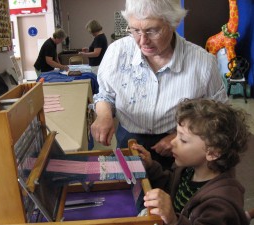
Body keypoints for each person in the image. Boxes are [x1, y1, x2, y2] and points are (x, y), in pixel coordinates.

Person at [91, 0, 228, 169]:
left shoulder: (202, 63)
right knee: (131, 189)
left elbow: (218, 114)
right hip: (129, 139)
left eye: (152, 30)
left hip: (179, 146)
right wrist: (104, 115)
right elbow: (106, 94)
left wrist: (180, 136)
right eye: (135, 30)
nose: (142, 41)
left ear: (173, 23)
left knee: (174, 191)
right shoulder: (117, 52)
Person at [133, 98, 251, 225]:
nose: (172, 142)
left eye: (183, 140)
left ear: (212, 153)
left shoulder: (221, 204)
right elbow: (172, 185)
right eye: (176, 134)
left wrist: (173, 220)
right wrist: (151, 166)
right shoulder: (190, 170)